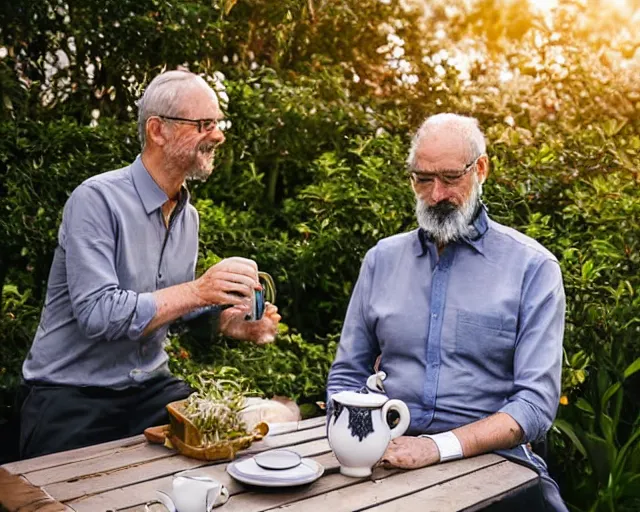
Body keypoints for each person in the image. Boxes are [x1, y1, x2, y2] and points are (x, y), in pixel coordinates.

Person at [19, 70, 281, 459]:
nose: (218, 135)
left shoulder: (187, 216)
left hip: (150, 391)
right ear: (159, 130)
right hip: (70, 396)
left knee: (242, 445)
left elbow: (171, 312)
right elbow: (98, 314)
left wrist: (228, 322)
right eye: (204, 124)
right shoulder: (96, 200)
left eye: (218, 124)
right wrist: (198, 290)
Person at [327, 113, 568, 510]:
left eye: (450, 178)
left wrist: (436, 448)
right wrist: (355, 438)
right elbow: (348, 373)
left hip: (495, 463)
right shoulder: (381, 260)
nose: (436, 194)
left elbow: (536, 404)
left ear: (481, 170)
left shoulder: (533, 268)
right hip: (386, 455)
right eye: (423, 179)